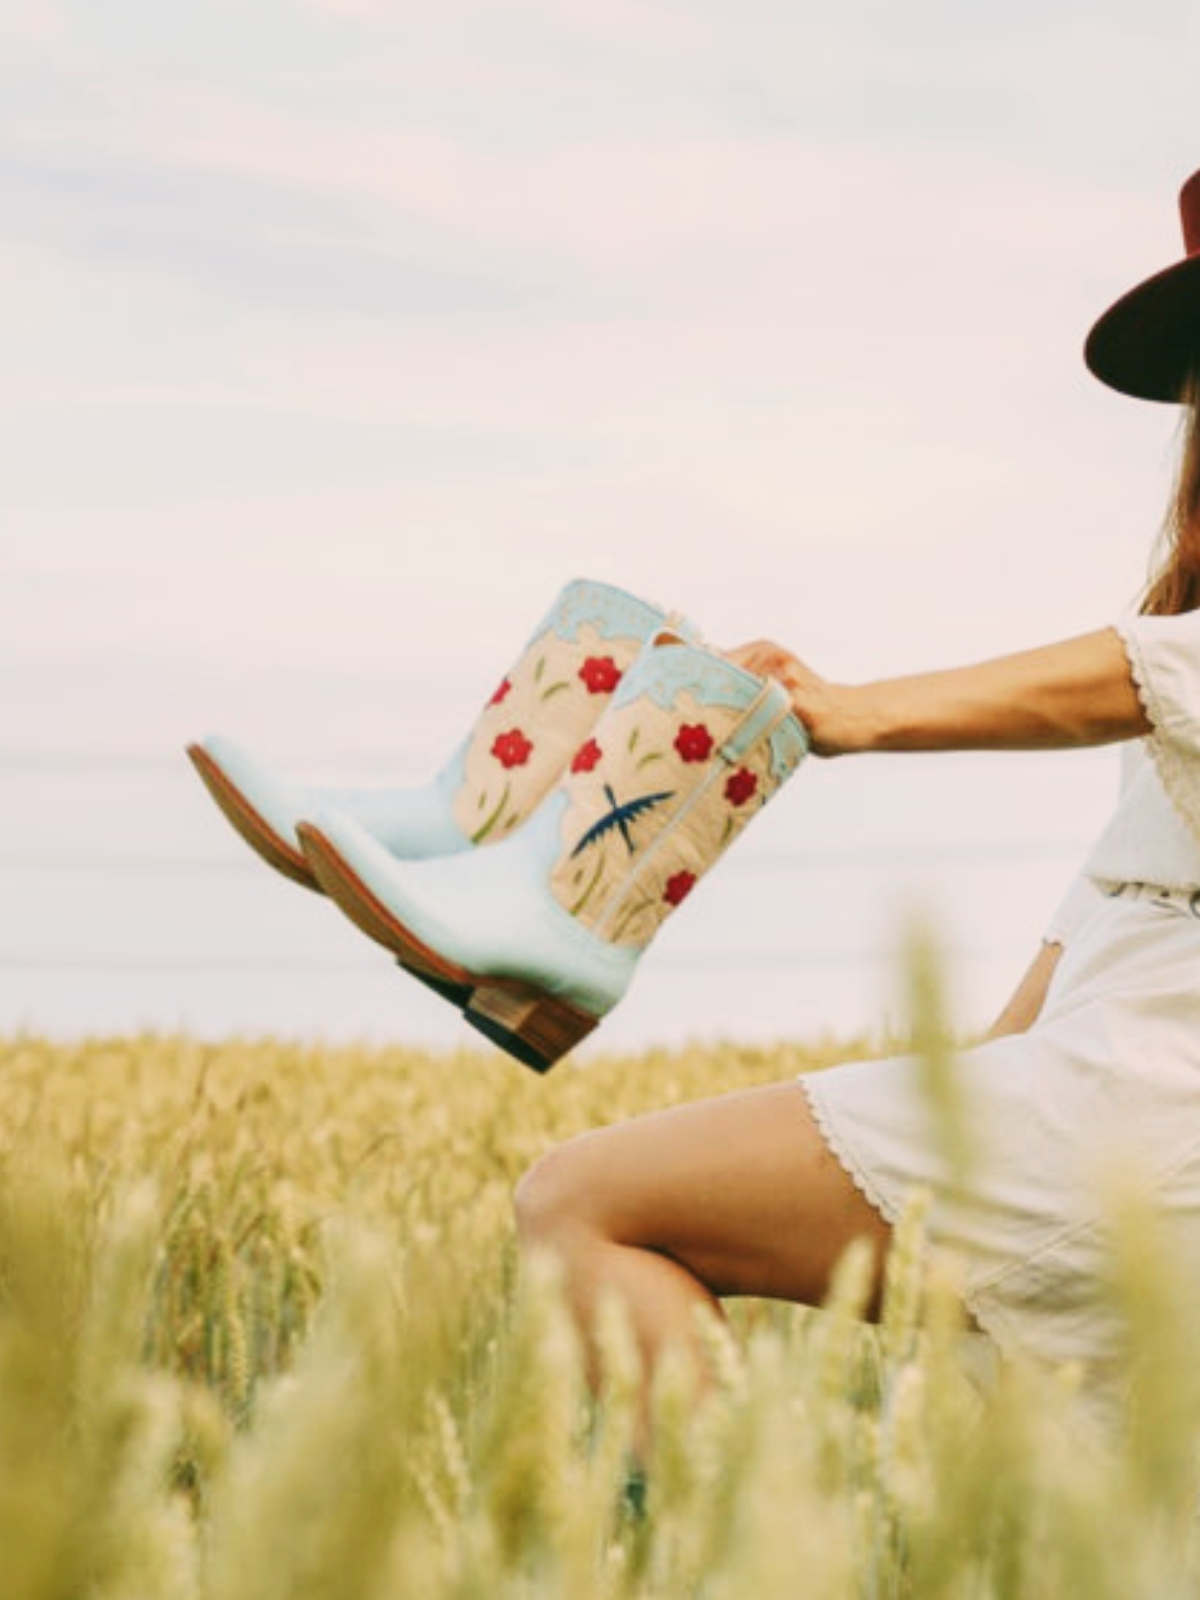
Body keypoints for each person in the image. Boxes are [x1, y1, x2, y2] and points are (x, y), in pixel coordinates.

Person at [189, 166, 1200, 1436]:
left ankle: (562, 916)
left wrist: (856, 711)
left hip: (1152, 1115)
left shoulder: (1164, 665)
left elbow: (1126, 677)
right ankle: (501, 830)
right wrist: (962, 1099)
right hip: (1108, 1095)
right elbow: (1112, 895)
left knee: (587, 1199)